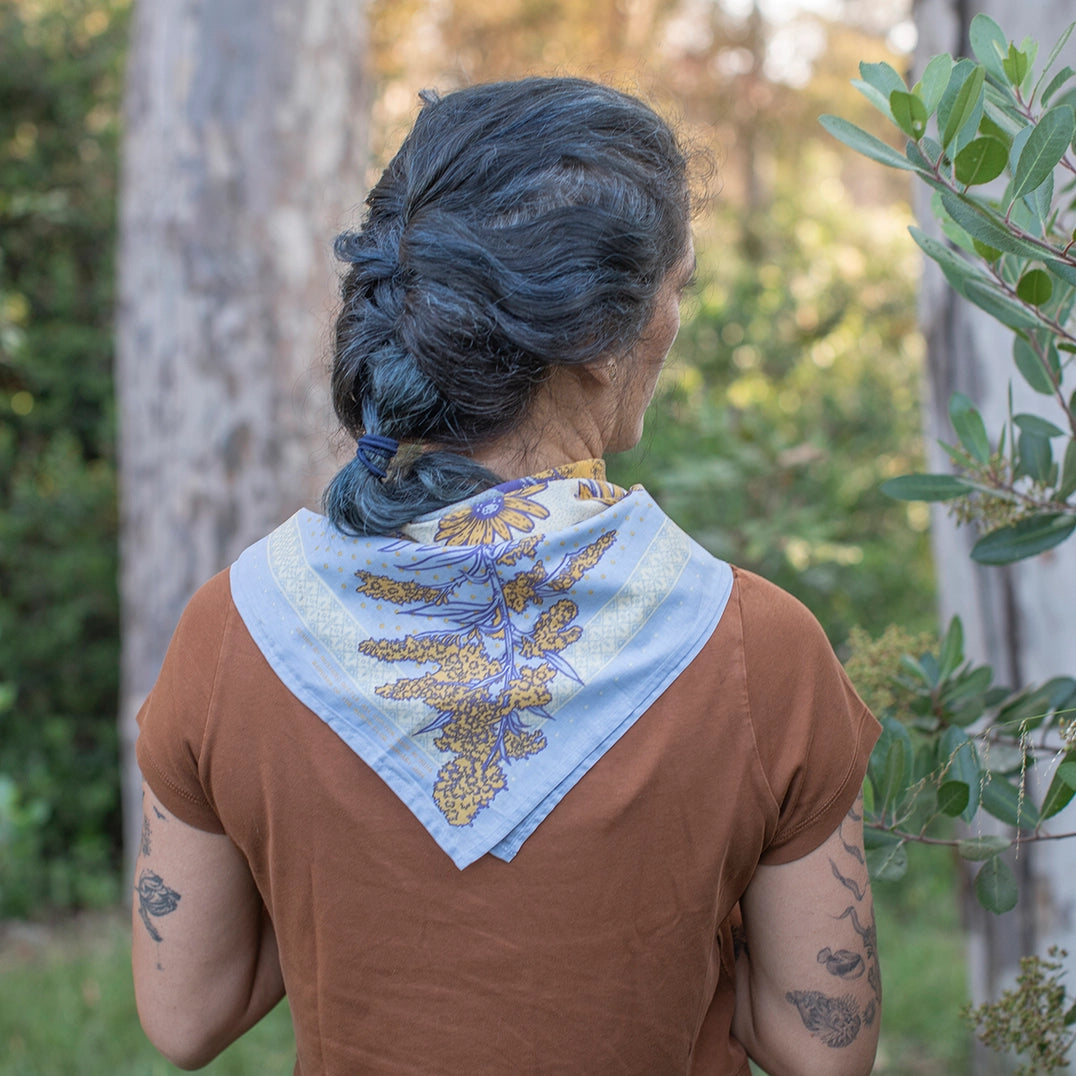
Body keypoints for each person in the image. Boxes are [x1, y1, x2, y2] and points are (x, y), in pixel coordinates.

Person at [131, 77, 882, 1075]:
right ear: (600, 336)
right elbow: (819, 1048)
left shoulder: (235, 630)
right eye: (677, 286)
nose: (674, 317)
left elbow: (185, 1012)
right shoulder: (757, 651)